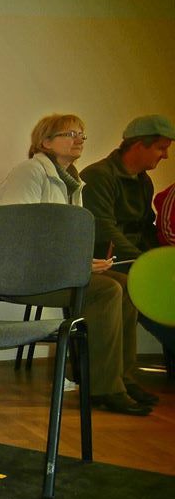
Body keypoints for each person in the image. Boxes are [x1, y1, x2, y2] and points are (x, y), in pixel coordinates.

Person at [0, 114, 154, 414]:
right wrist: (73, 264)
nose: (79, 139)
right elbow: (17, 233)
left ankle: (121, 376)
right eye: (69, 134)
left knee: (124, 284)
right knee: (107, 291)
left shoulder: (73, 182)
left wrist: (83, 261)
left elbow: (64, 239)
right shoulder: (29, 172)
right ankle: (103, 388)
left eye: (81, 134)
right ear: (45, 142)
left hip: (52, 271)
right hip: (24, 272)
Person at [81, 115, 175, 356]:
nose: (165, 155)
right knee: (153, 291)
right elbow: (104, 228)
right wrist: (145, 263)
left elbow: (146, 226)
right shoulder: (98, 176)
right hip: (107, 260)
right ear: (139, 145)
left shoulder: (144, 181)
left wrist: (162, 259)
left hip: (133, 257)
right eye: (161, 148)